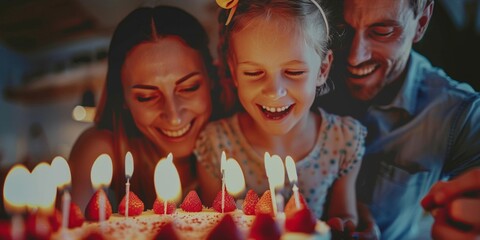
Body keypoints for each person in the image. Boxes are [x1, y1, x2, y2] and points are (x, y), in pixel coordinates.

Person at [195, 0, 367, 232]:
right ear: (234, 72)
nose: (274, 91)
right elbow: (210, 225)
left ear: (322, 70)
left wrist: (343, 227)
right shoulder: (216, 145)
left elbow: (344, 216)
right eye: (254, 72)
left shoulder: (342, 142)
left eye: (293, 72)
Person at [318, 0, 480, 239]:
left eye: (382, 31)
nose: (355, 56)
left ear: (422, 22)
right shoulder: (302, 71)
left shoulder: (459, 113)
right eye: (342, 29)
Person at [69, 5, 226, 211]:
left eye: (189, 88)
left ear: (211, 77)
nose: (174, 116)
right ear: (122, 97)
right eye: (146, 97)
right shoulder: (103, 151)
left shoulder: (238, 137)